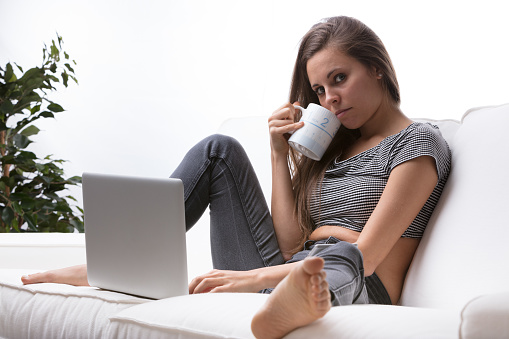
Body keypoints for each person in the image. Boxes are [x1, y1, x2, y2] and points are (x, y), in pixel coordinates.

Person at [22, 16, 451, 339]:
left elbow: (369, 255)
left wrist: (254, 278)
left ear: (376, 67)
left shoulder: (417, 143)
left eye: (339, 78)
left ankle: (292, 301)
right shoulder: (336, 147)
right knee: (218, 149)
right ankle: (117, 261)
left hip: (357, 278)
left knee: (335, 258)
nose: (329, 98)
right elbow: (287, 244)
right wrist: (278, 153)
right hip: (290, 270)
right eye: (319, 90)